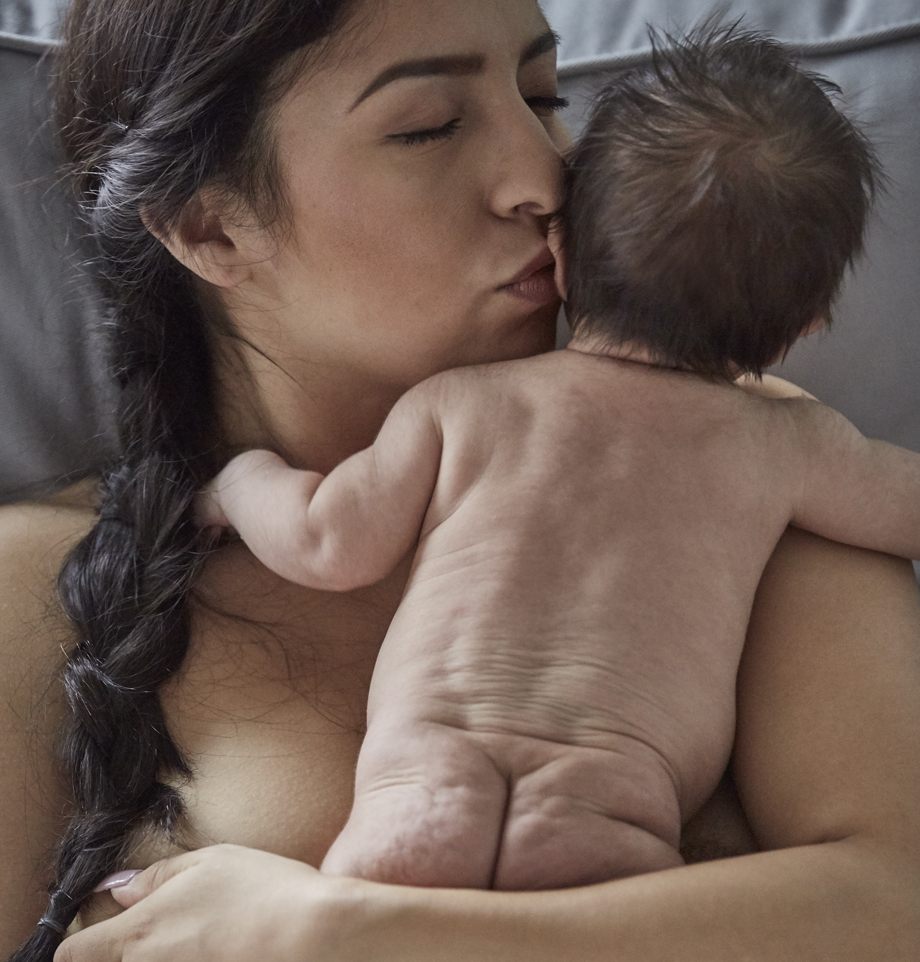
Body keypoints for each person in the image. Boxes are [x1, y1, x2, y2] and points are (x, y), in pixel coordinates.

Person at [1, 0, 918, 960]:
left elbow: (897, 906)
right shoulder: (34, 589)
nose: (544, 177)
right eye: (429, 126)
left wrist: (345, 932)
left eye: (543, 96)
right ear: (211, 227)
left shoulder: (743, 451)